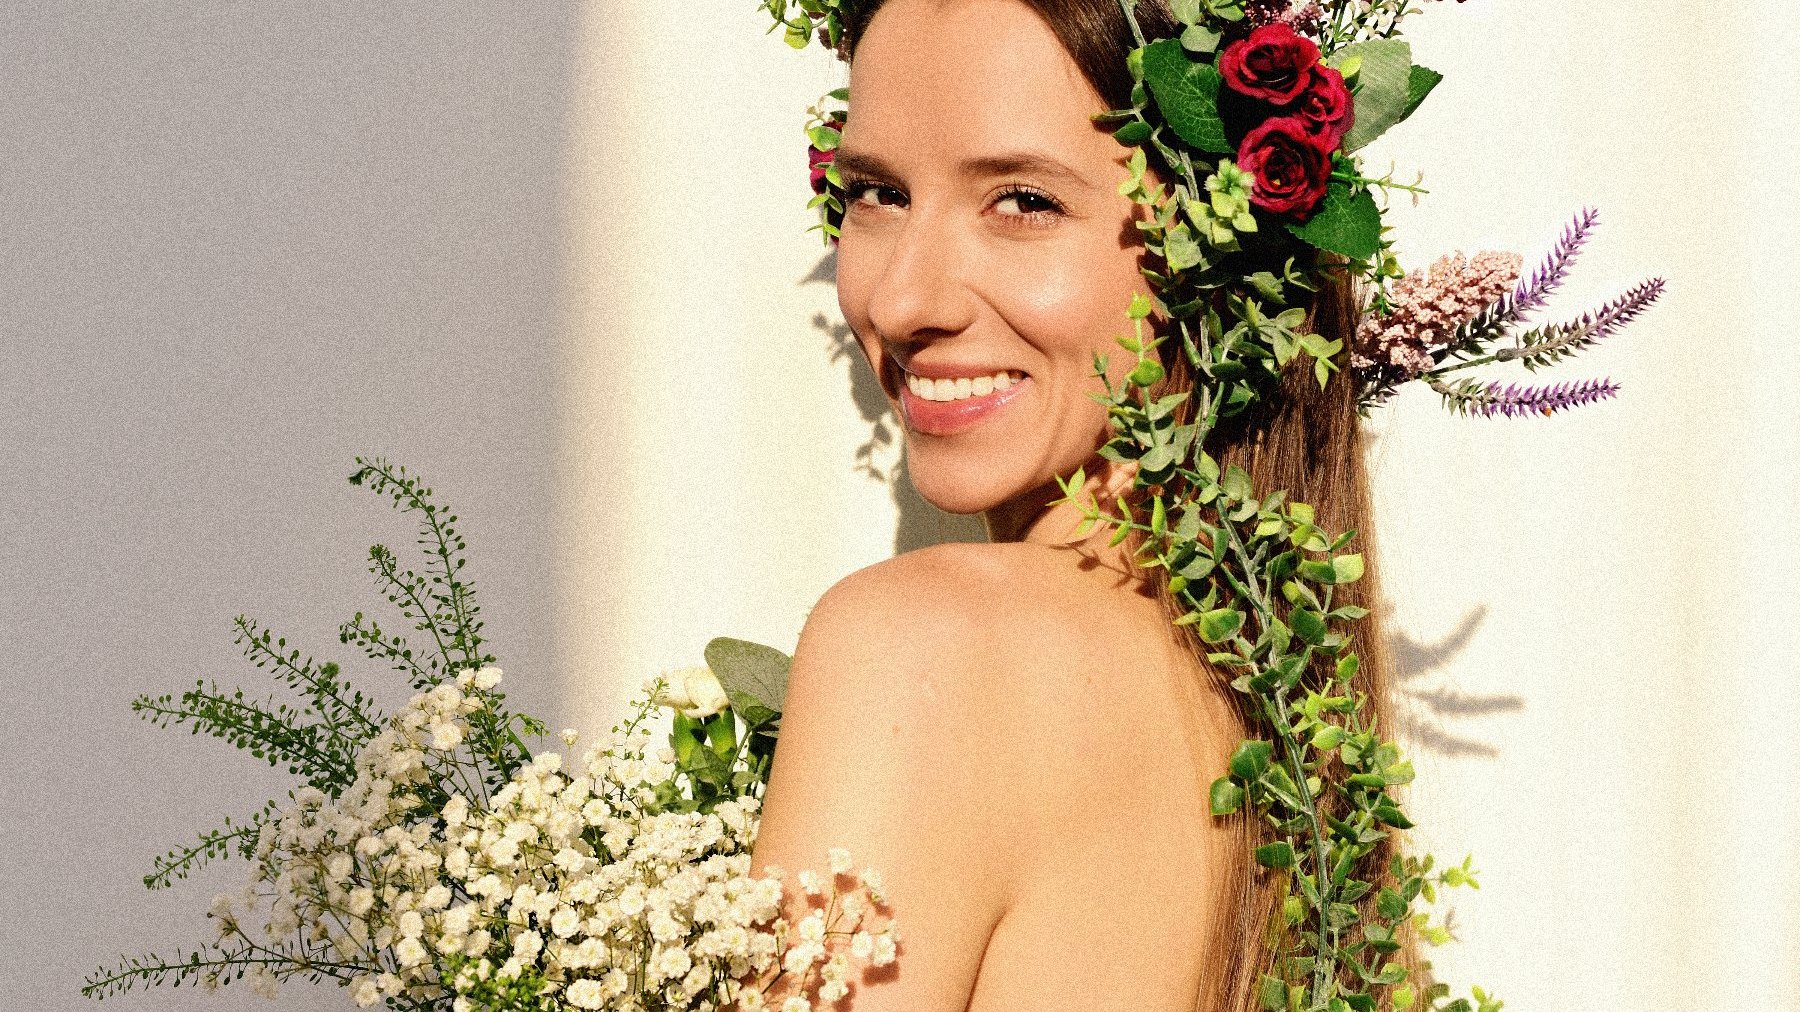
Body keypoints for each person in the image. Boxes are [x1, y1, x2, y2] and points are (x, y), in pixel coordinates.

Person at [747, 0, 1409, 1008]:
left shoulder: (925, 649)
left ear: (1213, 252)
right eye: (878, 193)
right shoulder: (1290, 735)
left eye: (1022, 202)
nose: (901, 299)